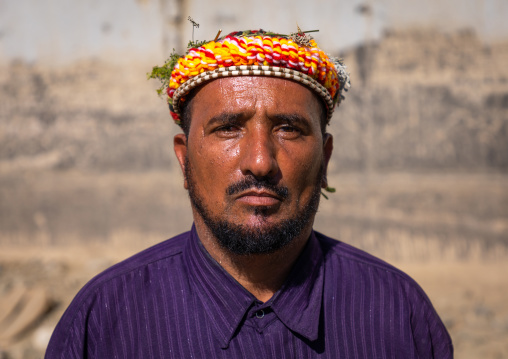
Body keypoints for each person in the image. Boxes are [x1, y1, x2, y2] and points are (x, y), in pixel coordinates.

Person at [46, 29, 453, 358]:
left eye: (288, 128)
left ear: (325, 160)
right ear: (184, 161)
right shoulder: (104, 322)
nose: (260, 161)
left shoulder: (399, 314)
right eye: (228, 128)